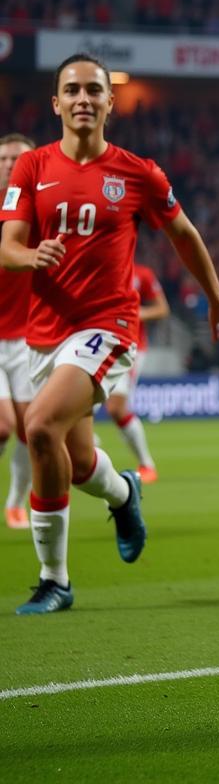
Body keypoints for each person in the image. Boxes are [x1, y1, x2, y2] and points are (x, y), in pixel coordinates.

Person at [0, 53, 219, 614]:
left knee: (37, 428)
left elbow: (183, 234)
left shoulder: (138, 172)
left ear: (110, 102)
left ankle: (54, 579)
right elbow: (8, 244)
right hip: (44, 335)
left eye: (94, 90)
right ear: (56, 103)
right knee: (78, 461)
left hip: (107, 327)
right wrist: (32, 254)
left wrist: (217, 297)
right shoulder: (31, 167)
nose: (83, 99)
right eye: (72, 90)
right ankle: (124, 492)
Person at [99, 261, 169, 482]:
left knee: (116, 408)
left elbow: (162, 309)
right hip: (97, 343)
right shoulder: (101, 269)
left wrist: (136, 314)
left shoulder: (143, 274)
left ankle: (146, 464)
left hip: (130, 346)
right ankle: (86, 447)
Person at [0, 132, 35, 529]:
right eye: (5, 159)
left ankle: (15, 501)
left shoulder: (40, 209)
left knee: (29, 429)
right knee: (3, 426)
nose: (10, 165)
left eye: (18, 159)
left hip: (28, 337)